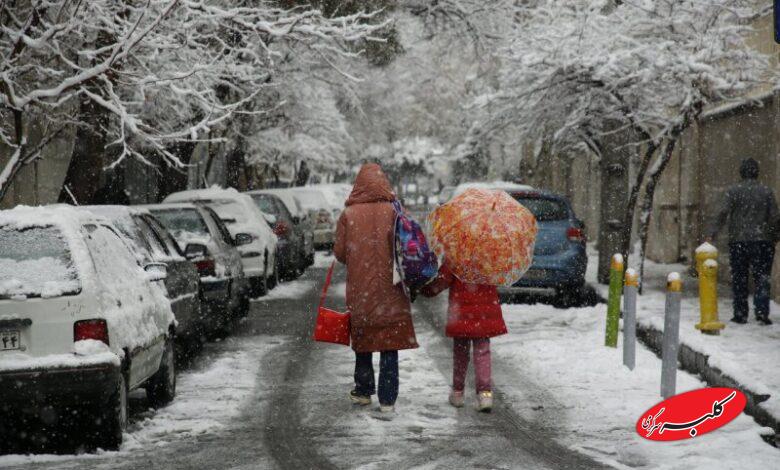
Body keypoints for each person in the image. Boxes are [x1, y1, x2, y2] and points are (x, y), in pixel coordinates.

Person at [333, 163, 418, 413]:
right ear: (384, 183)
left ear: (358, 185)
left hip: (361, 289)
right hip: (392, 287)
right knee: (389, 340)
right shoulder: (394, 211)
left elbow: (340, 253)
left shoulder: (349, 214)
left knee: (363, 336)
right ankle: (388, 399)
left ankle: (363, 390)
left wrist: (358, 256)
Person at [420, 260, 507, 412]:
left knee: (460, 354)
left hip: (460, 312)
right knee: (482, 352)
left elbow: (442, 281)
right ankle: (485, 394)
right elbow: (500, 277)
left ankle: (458, 392)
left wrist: (424, 290)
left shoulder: (456, 255)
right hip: (484, 312)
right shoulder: (490, 254)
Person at [706, 158, 779, 326]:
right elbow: (775, 217)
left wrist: (711, 234)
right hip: (762, 241)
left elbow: (722, 213)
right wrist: (774, 236)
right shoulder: (766, 191)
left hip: (739, 240)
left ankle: (740, 313)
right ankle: (761, 312)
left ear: (741, 172)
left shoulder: (733, 191)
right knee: (762, 277)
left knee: (739, 277)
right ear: (756, 172)